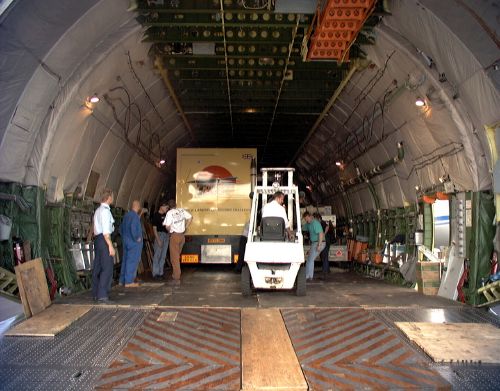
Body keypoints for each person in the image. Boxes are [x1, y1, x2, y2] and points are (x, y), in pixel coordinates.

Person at [92, 188, 116, 303]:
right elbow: (106, 231)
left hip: (97, 240)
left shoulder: (98, 210)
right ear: (109, 197)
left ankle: (96, 293)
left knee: (98, 266)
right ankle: (102, 294)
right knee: (107, 267)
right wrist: (110, 246)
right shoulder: (106, 211)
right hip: (104, 240)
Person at [163, 199, 192, 286]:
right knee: (177, 256)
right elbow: (190, 217)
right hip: (182, 237)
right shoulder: (181, 210)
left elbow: (167, 226)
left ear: (168, 207)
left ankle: (176, 277)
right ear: (175, 205)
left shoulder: (169, 213)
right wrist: (186, 227)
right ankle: (176, 274)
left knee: (174, 258)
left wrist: (170, 231)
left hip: (174, 236)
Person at [119, 200, 143, 287]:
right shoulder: (135, 216)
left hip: (125, 242)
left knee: (125, 261)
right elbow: (133, 227)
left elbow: (120, 229)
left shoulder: (126, 215)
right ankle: (129, 282)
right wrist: (137, 238)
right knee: (131, 261)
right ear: (137, 206)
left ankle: (122, 281)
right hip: (133, 244)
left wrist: (124, 237)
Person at [302, 211, 325, 281]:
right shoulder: (308, 224)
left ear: (310, 216)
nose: (306, 221)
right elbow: (301, 229)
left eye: (307, 219)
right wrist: (291, 231)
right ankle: (308, 275)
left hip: (319, 242)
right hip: (314, 243)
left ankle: (308, 276)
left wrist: (319, 245)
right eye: (305, 220)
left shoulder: (315, 223)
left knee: (310, 259)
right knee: (309, 259)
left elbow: (321, 233)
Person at [151, 200, 170, 280]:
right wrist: (158, 239)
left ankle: (160, 272)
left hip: (166, 235)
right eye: (166, 207)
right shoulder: (156, 215)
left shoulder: (166, 215)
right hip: (160, 235)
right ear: (161, 206)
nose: (167, 208)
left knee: (163, 255)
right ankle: (155, 273)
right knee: (157, 255)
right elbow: (154, 228)